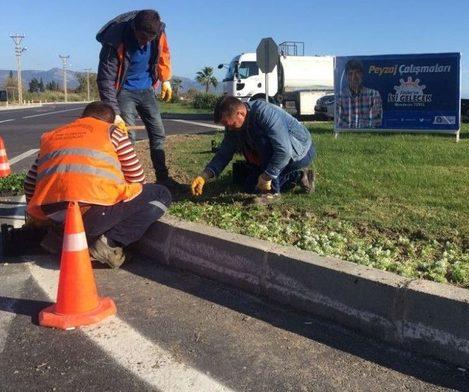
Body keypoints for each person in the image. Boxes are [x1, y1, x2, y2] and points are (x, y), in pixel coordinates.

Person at [24, 102, 171, 268]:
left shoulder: (51, 136)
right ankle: (107, 245)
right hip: (91, 216)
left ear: (82, 117)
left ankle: (59, 236)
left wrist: (38, 219)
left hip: (54, 217)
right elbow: (137, 178)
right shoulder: (112, 132)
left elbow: (29, 183)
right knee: (160, 193)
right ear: (109, 121)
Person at [96, 9, 176, 186]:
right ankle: (125, 183)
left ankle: (163, 179)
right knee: (127, 137)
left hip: (147, 89)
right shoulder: (113, 41)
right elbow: (105, 79)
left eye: (148, 40)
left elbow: (164, 54)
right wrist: (115, 113)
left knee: (158, 133)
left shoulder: (158, 32)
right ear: (133, 27)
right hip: (124, 92)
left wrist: (166, 80)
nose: (143, 44)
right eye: (141, 38)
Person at [190, 97, 316, 201]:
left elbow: (283, 151)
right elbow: (224, 152)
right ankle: (300, 176)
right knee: (250, 186)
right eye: (227, 126)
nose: (231, 129)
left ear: (241, 113)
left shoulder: (264, 113)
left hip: (300, 152)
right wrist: (204, 175)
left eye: (232, 124)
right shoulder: (233, 125)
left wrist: (268, 176)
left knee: (263, 140)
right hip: (273, 156)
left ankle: (272, 194)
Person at [336, 59, 383, 128]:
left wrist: (351, 126)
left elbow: (376, 121)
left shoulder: (374, 94)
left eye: (357, 72)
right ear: (346, 76)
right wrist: (361, 125)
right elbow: (340, 122)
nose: (354, 77)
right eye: (350, 73)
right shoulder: (340, 96)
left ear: (362, 74)